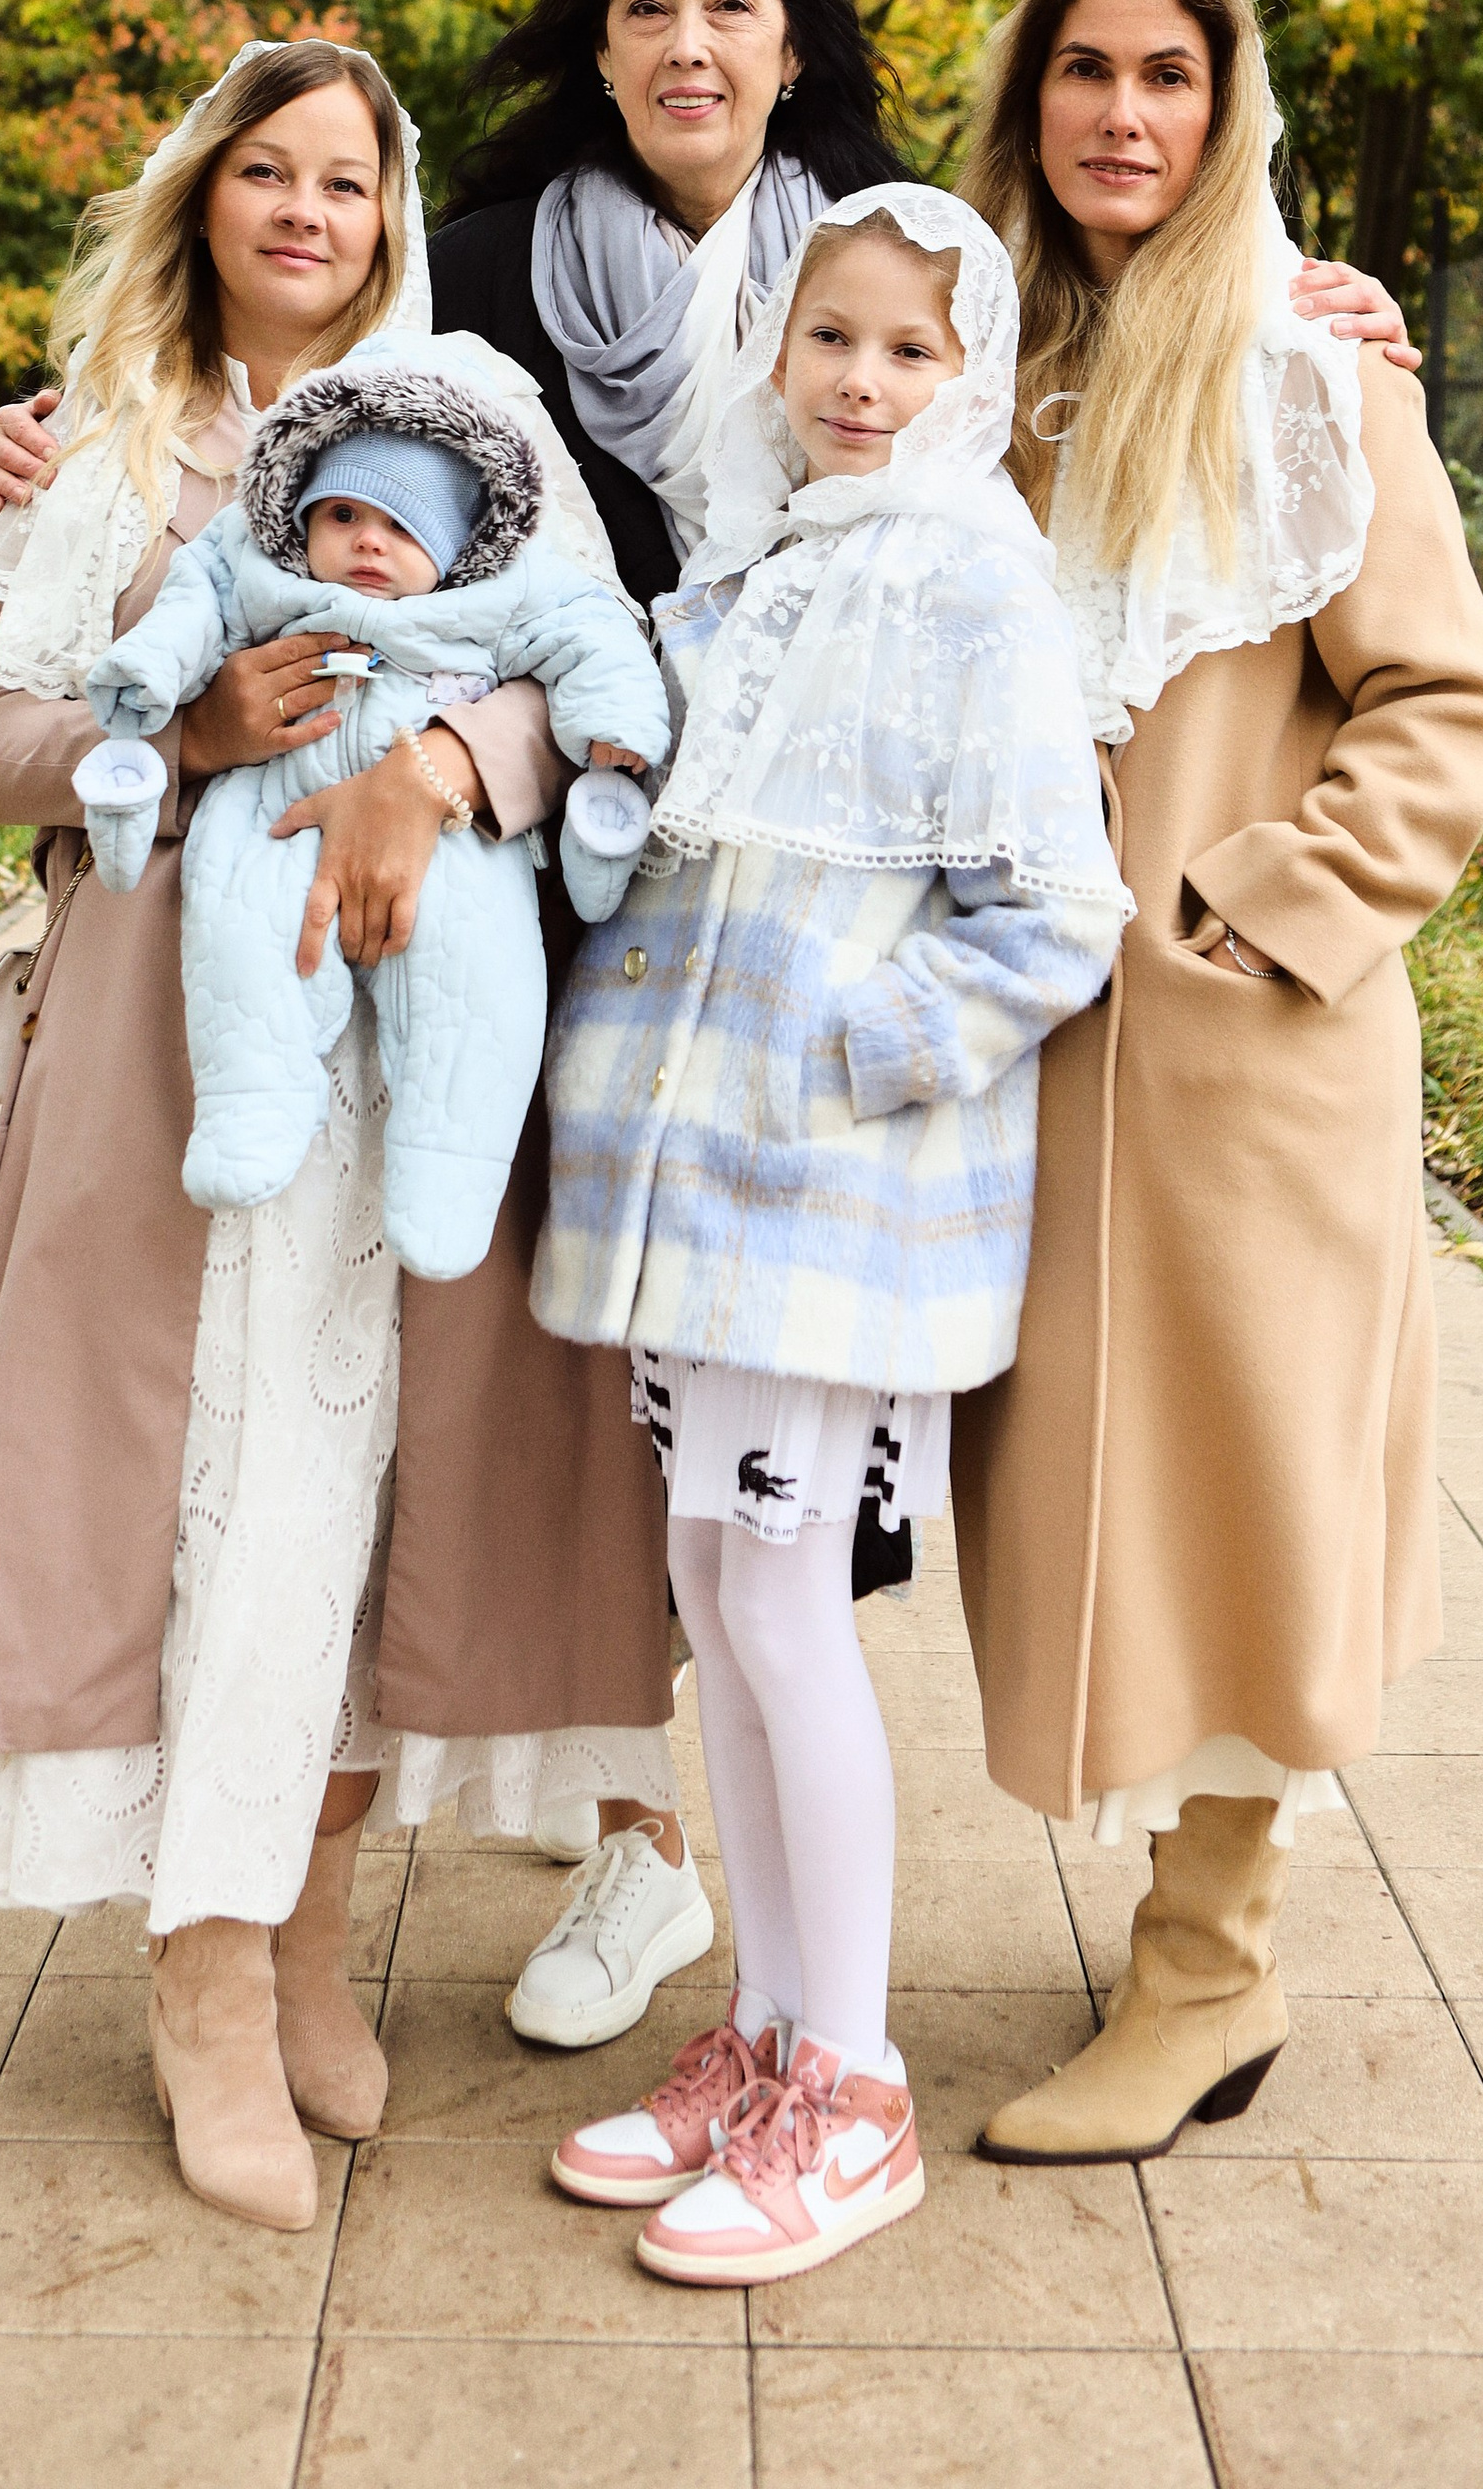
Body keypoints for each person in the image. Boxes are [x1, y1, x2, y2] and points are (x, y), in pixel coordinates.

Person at [0, 0, 1419, 2045]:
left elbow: (1040, 532)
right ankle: (642, 1873)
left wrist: (1319, 310)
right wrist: (71, 475)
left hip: (837, 1003)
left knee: (783, 1529)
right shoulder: (459, 290)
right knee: (560, 1434)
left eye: (732, 8)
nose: (689, 45)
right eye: (650, 3)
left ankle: (758, 1935)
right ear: (602, 34)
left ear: (790, 50)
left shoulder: (890, 273)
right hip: (589, 949)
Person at [0, 36, 679, 2236]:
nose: (306, 213)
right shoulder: (94, 444)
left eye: (344, 178)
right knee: (215, 1512)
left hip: (420, 1061)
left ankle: (310, 1930)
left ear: (384, 210)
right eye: (267, 173)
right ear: (201, 197)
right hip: (185, 1059)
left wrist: (430, 769)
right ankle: (202, 1982)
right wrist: (203, 722)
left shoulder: (473, 415)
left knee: (367, 1509)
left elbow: (589, 665)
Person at [947, 0, 1483, 2164]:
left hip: (1236, 1054)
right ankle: (1182, 1927)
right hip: (1034, 1060)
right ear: (1032, 99)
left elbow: (1444, 706)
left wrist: (1244, 914)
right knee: (1085, 1503)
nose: (1119, 112)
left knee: (1242, 1504)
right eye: (1083, 70)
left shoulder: (1308, 364)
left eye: (1164, 77)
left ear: (1222, 107)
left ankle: (1208, 1969)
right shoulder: (985, 358)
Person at [530, 187, 1128, 2282]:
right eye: (832, 340)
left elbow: (1054, 910)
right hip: (703, 1207)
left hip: (828, 1202)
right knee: (719, 1588)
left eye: (908, 351)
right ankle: (767, 2035)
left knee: (782, 1611)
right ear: (778, 354)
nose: (862, 383)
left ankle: (851, 2090)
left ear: (967, 383)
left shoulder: (973, 591)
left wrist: (852, 1054)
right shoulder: (757, 575)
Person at [82, 362, 668, 1274]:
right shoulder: (257, 566)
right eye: (344, 515)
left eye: (401, 527)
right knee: (240, 936)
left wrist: (616, 727)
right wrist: (153, 675)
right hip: (274, 806)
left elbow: (593, 632)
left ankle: (453, 1167)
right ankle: (251, 1104)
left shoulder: (500, 588)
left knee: (481, 980)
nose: (366, 543)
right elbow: (189, 606)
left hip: (447, 842)